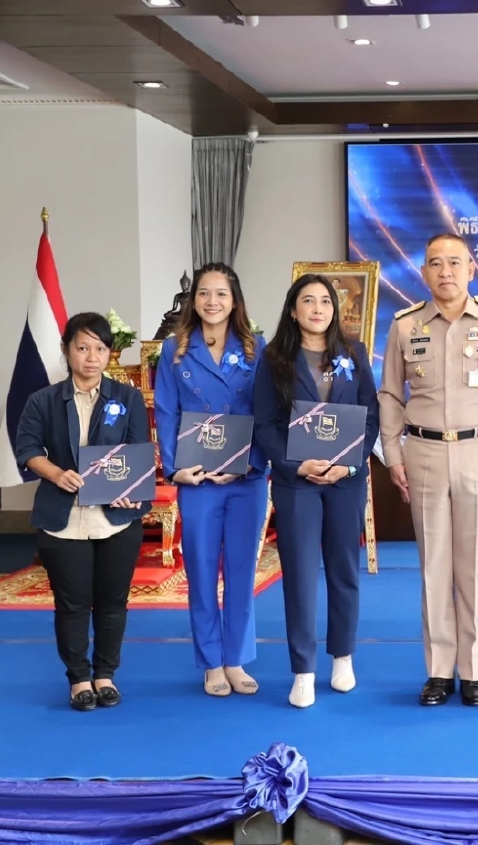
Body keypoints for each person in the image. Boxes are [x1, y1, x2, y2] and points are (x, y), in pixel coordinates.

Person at [378, 233, 478, 707]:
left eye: (454, 263)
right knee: (434, 565)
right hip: (421, 452)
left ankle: (474, 670)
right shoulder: (404, 326)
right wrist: (392, 454)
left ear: (471, 269)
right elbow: (391, 395)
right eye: (435, 264)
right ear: (423, 273)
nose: (445, 272)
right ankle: (440, 670)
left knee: (476, 566)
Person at [14, 312, 151, 712]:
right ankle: (78, 679)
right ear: (67, 350)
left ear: (110, 353)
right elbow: (26, 449)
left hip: (116, 517)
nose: (92, 357)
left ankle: (105, 674)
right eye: (83, 347)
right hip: (63, 517)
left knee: (113, 600)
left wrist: (129, 490)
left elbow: (137, 450)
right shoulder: (43, 400)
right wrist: (57, 474)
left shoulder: (126, 399)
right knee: (72, 603)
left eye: (101, 349)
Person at [253, 274, 378, 708]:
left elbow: (370, 418)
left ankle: (342, 656)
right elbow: (265, 425)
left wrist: (348, 462)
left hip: (345, 481)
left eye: (325, 301)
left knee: (343, 570)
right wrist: (295, 463)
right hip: (296, 482)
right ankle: (303, 669)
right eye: (308, 300)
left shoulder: (354, 353)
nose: (318, 308)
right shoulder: (274, 359)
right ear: (293, 309)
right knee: (302, 577)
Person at [154, 262, 268, 698]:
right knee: (201, 570)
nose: (212, 301)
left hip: (247, 478)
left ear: (235, 300)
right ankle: (211, 662)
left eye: (221, 293)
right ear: (193, 299)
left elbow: (267, 412)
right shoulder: (175, 350)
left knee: (241, 571)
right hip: (196, 477)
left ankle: (236, 659)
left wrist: (252, 462)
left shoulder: (257, 348)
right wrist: (174, 467)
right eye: (204, 293)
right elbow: (166, 411)